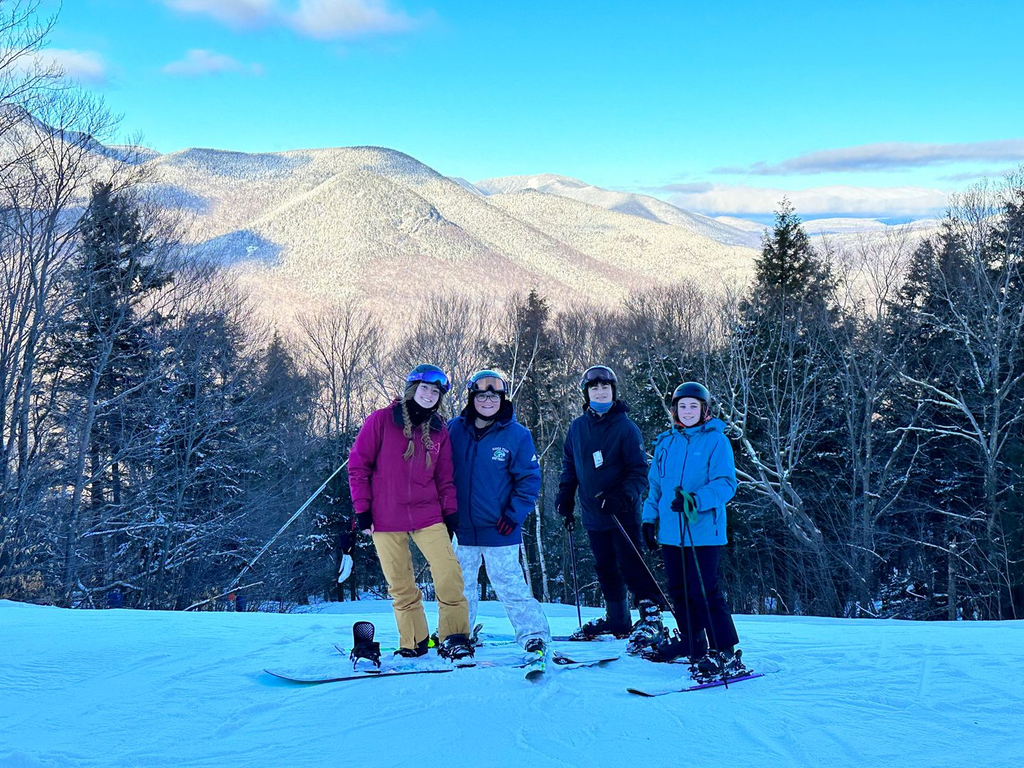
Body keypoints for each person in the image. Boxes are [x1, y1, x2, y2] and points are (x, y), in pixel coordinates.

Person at [347, 364, 473, 661]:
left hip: (428, 515)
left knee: (448, 574)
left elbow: (445, 478)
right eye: (425, 388)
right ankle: (415, 641)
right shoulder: (380, 421)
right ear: (412, 389)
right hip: (386, 517)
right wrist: (362, 510)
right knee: (401, 584)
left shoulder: (440, 430)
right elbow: (358, 466)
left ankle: (454, 637)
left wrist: (450, 513)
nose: (430, 394)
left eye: (436, 391)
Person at [556, 364, 666, 653]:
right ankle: (618, 619)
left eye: (605, 387)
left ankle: (651, 617)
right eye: (595, 388)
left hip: (622, 512)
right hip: (593, 512)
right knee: (604, 566)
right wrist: (566, 495)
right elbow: (570, 465)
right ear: (587, 393)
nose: (600, 392)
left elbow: (639, 472)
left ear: (613, 392)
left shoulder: (625, 427)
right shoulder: (578, 427)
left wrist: (620, 497)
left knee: (632, 564)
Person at [640, 381, 745, 677]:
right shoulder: (665, 443)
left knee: (705, 591)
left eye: (693, 406)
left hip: (703, 531)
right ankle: (693, 642)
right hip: (672, 533)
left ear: (704, 410)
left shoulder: (715, 440)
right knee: (679, 590)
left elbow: (726, 484)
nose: (687, 411)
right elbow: (656, 487)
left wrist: (695, 500)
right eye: (682, 406)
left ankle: (724, 651)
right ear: (675, 410)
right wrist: (648, 519)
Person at [448, 370, 551, 655]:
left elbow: (529, 479)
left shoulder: (517, 435)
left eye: (494, 395)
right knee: (460, 588)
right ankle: (458, 635)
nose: (488, 401)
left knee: (509, 585)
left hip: (500, 528)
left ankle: (533, 635)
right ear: (472, 398)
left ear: (502, 399)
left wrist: (513, 515)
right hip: (463, 529)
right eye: (481, 395)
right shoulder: (454, 429)